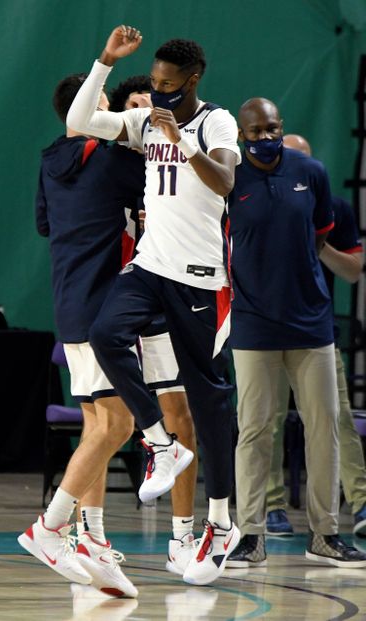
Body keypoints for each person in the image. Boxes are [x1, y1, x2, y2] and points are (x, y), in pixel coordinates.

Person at [67, 25, 241, 585]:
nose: (160, 92)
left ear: (191, 81)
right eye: (155, 84)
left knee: (210, 407)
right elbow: (78, 123)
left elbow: (224, 183)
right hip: (150, 267)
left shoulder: (215, 120)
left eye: (169, 84)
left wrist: (182, 139)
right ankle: (159, 443)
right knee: (105, 334)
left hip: (200, 280)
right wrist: (105, 63)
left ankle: (220, 521)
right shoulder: (143, 122)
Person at [18, 72, 196, 594]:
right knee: (114, 425)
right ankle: (50, 527)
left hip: (68, 300)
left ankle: (91, 538)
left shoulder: (50, 161)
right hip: (105, 304)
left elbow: (45, 225)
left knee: (99, 421)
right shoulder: (114, 159)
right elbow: (171, 188)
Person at [225, 98, 366, 569]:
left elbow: (321, 234)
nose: (264, 138)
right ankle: (251, 534)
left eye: (271, 129)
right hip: (252, 324)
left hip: (311, 324)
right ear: (240, 134)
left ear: (281, 127)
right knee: (254, 430)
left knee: (325, 425)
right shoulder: (229, 178)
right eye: (254, 131)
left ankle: (325, 534)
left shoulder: (312, 172)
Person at [109, 75, 199, 575]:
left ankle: (181, 537)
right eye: (136, 106)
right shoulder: (109, 166)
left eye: (153, 104)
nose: (147, 112)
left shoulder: (182, 160)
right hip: (119, 296)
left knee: (180, 414)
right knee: (105, 421)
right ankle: (88, 531)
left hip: (167, 294)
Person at [265, 134, 366, 538]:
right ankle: (270, 507)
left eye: (304, 162)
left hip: (314, 328)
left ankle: (359, 503)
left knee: (336, 417)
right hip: (264, 328)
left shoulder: (335, 209)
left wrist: (317, 240)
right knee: (265, 423)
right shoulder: (258, 200)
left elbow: (353, 271)